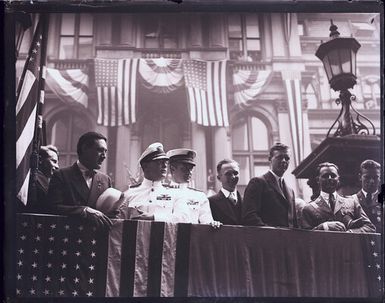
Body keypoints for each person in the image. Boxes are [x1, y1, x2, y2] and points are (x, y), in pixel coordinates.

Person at [47, 132, 113, 230]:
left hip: (97, 239)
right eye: (100, 150)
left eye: (105, 151)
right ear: (85, 149)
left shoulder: (105, 180)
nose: (104, 156)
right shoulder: (61, 175)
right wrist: (83, 211)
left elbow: (110, 214)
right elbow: (52, 208)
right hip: (70, 236)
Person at [117, 143, 190, 223]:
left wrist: (154, 217)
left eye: (165, 162)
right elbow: (119, 220)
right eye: (159, 162)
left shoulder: (176, 194)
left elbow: (184, 218)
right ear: (145, 166)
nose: (165, 165)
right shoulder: (129, 194)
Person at [301, 162, 375, 233]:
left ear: (338, 179)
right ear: (318, 180)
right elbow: (304, 238)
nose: (330, 178)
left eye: (333, 176)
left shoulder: (352, 203)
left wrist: (350, 233)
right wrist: (324, 227)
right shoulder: (308, 209)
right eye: (325, 176)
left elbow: (369, 227)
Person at [242, 143, 298, 227]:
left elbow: (293, 222)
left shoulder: (290, 191)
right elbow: (250, 216)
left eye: (287, 158)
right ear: (270, 159)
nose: (283, 161)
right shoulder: (258, 183)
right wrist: (271, 233)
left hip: (287, 239)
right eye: (279, 157)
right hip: (266, 238)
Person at [167, 148, 221, 229]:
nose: (189, 172)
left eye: (191, 168)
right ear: (172, 168)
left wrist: (212, 223)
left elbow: (206, 221)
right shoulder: (163, 193)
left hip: (191, 239)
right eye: (184, 169)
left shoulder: (199, 196)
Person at [26, 145, 59, 213]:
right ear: (40, 160)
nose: (57, 166)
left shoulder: (46, 181)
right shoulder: (33, 179)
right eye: (54, 161)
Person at [209, 159, 242, 225]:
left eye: (235, 173)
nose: (233, 177)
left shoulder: (246, 201)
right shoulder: (210, 202)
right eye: (228, 174)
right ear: (219, 178)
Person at [353, 160, 382, 233]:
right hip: (358, 242)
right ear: (360, 177)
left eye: (375, 177)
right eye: (367, 177)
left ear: (380, 178)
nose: (371, 181)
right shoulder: (352, 200)